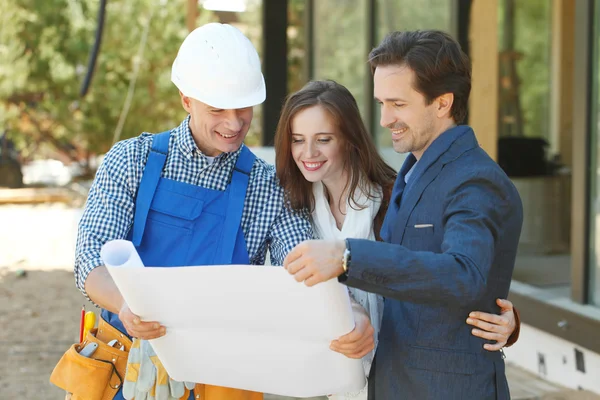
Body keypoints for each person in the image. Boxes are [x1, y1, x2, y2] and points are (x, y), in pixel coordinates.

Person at [73, 23, 372, 400]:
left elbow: (307, 267)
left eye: (243, 108)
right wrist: (123, 303)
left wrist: (354, 314)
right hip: (125, 370)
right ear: (186, 100)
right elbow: (89, 257)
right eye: (217, 109)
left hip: (223, 380)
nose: (234, 124)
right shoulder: (131, 160)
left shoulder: (268, 186)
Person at [277, 79, 521, 399]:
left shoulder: (395, 197)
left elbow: (439, 274)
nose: (308, 153)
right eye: (297, 140)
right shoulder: (291, 205)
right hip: (329, 377)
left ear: (350, 138)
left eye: (323, 139)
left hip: (395, 376)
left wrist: (507, 319)